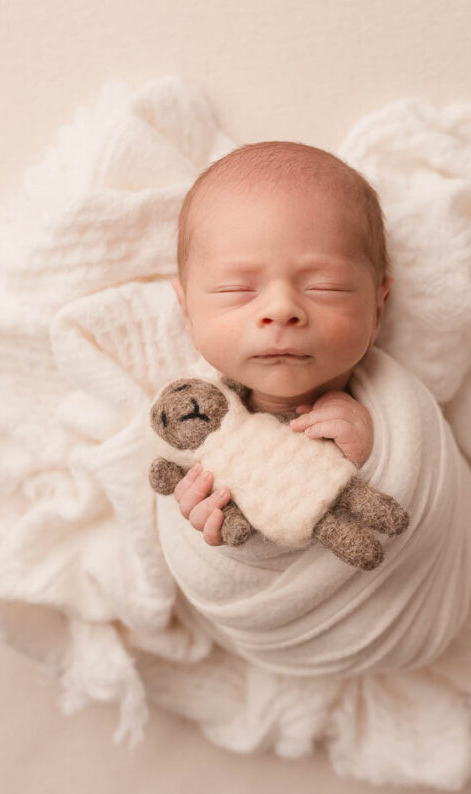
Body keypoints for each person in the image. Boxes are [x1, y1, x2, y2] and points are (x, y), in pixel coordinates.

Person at [168, 140, 392, 546]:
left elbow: (418, 500)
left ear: (379, 305)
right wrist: (202, 519)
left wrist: (373, 458)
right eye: (237, 288)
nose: (281, 309)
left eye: (325, 286)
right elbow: (194, 562)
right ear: (186, 308)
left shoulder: (396, 410)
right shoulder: (190, 426)